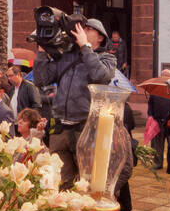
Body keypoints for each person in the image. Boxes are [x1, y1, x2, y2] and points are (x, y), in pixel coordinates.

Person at [33, 19, 118, 187]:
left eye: (87, 29)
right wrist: (43, 51)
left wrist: (86, 47)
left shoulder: (107, 58)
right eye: (80, 28)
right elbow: (41, 79)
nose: (81, 31)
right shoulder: (67, 56)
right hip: (60, 129)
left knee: (86, 182)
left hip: (85, 129)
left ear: (100, 37)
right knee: (62, 181)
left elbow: (100, 76)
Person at [146, 69, 170, 171]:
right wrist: (150, 115)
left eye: (168, 77)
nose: (165, 79)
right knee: (157, 145)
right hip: (157, 121)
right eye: (164, 76)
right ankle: (157, 163)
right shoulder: (155, 91)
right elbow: (150, 105)